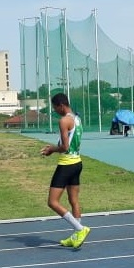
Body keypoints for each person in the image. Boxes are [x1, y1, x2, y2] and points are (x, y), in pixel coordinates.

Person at [40, 93, 91, 248]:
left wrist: (51, 150)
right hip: (77, 163)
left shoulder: (64, 120)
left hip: (66, 164)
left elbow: (65, 147)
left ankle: (80, 229)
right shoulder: (76, 118)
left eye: (55, 108)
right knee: (73, 201)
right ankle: (76, 236)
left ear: (61, 105)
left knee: (52, 202)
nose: (55, 111)